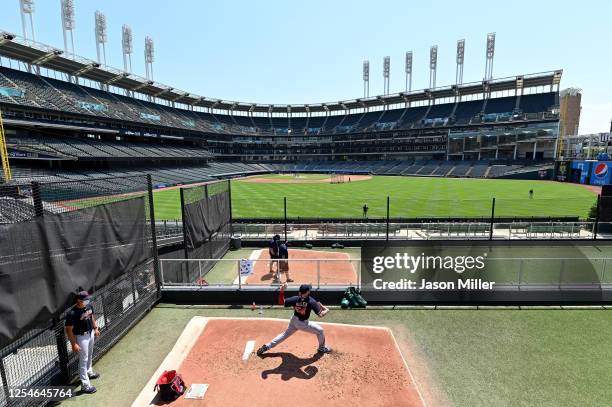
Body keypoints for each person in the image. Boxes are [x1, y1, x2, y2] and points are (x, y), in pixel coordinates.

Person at [257, 284, 331, 356]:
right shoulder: (311, 301)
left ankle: (267, 346)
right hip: (303, 324)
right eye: (309, 290)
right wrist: (326, 310)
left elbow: (281, 302)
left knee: (284, 335)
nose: (310, 291)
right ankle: (322, 348)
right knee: (320, 331)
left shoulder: (295, 299)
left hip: (294, 320)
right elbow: (320, 315)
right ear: (307, 292)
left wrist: (282, 291)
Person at [65, 291, 101, 394]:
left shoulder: (89, 306)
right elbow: (69, 329)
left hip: (90, 333)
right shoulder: (72, 313)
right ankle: (85, 385)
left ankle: (89, 372)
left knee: (89, 355)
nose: (87, 301)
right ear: (78, 300)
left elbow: (91, 316)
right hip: (81, 337)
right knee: (83, 360)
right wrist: (74, 344)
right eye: (85, 299)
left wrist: (95, 328)